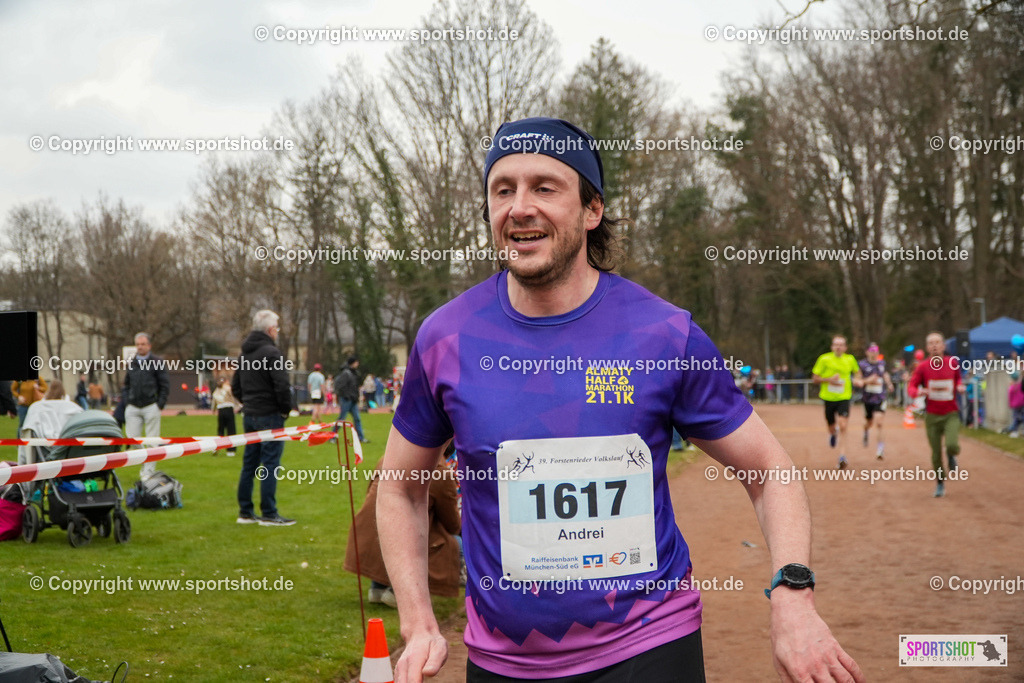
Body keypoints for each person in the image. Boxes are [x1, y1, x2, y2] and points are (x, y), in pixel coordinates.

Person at [376, 117, 862, 683]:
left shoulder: (664, 334)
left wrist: (793, 597)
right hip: (504, 662)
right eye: (503, 190)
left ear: (592, 210)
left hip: (649, 647)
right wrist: (418, 622)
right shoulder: (445, 338)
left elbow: (769, 470)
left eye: (544, 188)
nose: (520, 207)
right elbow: (400, 486)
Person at [344, 453, 461, 608]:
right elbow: (452, 524)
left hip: (366, 531)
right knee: (456, 543)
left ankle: (378, 587)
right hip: (398, 533)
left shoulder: (388, 456)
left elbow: (369, 492)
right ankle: (400, 591)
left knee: (396, 525)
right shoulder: (439, 472)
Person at [232, 309, 295, 526]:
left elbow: (235, 387)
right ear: (270, 330)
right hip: (270, 414)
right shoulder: (272, 353)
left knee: (249, 463)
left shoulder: (244, 355)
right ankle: (268, 512)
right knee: (270, 463)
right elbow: (282, 385)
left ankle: (245, 511)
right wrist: (285, 409)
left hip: (250, 414)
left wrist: (248, 403)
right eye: (276, 328)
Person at [908, 332, 965, 497]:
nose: (934, 346)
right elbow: (911, 387)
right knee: (935, 453)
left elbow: (958, 379)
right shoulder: (922, 367)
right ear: (927, 348)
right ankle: (940, 483)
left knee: (952, 444)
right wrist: (919, 392)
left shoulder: (952, 363)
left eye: (937, 342)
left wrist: (960, 386)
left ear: (943, 346)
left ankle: (951, 454)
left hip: (950, 413)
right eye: (931, 343)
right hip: (932, 415)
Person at [120, 332, 170, 480]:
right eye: (138, 344)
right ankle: (145, 460)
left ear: (149, 345)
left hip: (151, 406)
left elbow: (165, 385)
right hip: (133, 406)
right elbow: (126, 384)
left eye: (143, 344)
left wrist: (159, 404)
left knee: (152, 441)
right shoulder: (132, 362)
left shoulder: (157, 362)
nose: (140, 347)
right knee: (132, 439)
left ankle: (148, 472)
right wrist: (126, 401)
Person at [811, 335, 863, 469]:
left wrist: (857, 379)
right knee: (831, 426)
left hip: (844, 397)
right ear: (832, 346)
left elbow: (858, 372)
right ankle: (833, 433)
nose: (838, 347)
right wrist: (829, 380)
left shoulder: (850, 359)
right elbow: (815, 378)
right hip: (828, 398)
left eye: (841, 344)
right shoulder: (824, 359)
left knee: (843, 425)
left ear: (845, 347)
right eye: (836, 344)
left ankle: (842, 456)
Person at [858, 343, 894, 459]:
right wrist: (868, 380)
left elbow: (885, 374)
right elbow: (858, 380)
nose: (874, 353)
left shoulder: (882, 363)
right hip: (867, 398)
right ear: (867, 352)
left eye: (876, 350)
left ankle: (880, 449)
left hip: (880, 397)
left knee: (879, 422)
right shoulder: (862, 365)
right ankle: (866, 431)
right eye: (871, 350)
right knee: (869, 422)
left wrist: (889, 384)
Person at [333, 356, 367, 443]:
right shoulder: (346, 373)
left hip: (353, 399)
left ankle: (361, 437)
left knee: (357, 419)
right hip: (347, 399)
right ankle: (332, 436)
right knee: (342, 418)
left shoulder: (354, 373)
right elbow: (340, 386)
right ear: (353, 363)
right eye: (356, 362)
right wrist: (347, 395)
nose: (358, 364)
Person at [211, 377, 241, 456]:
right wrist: (239, 405)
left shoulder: (216, 391)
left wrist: (213, 410)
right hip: (229, 409)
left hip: (220, 411)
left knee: (220, 430)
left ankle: (217, 447)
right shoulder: (228, 388)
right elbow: (234, 396)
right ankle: (231, 450)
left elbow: (214, 402)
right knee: (231, 430)